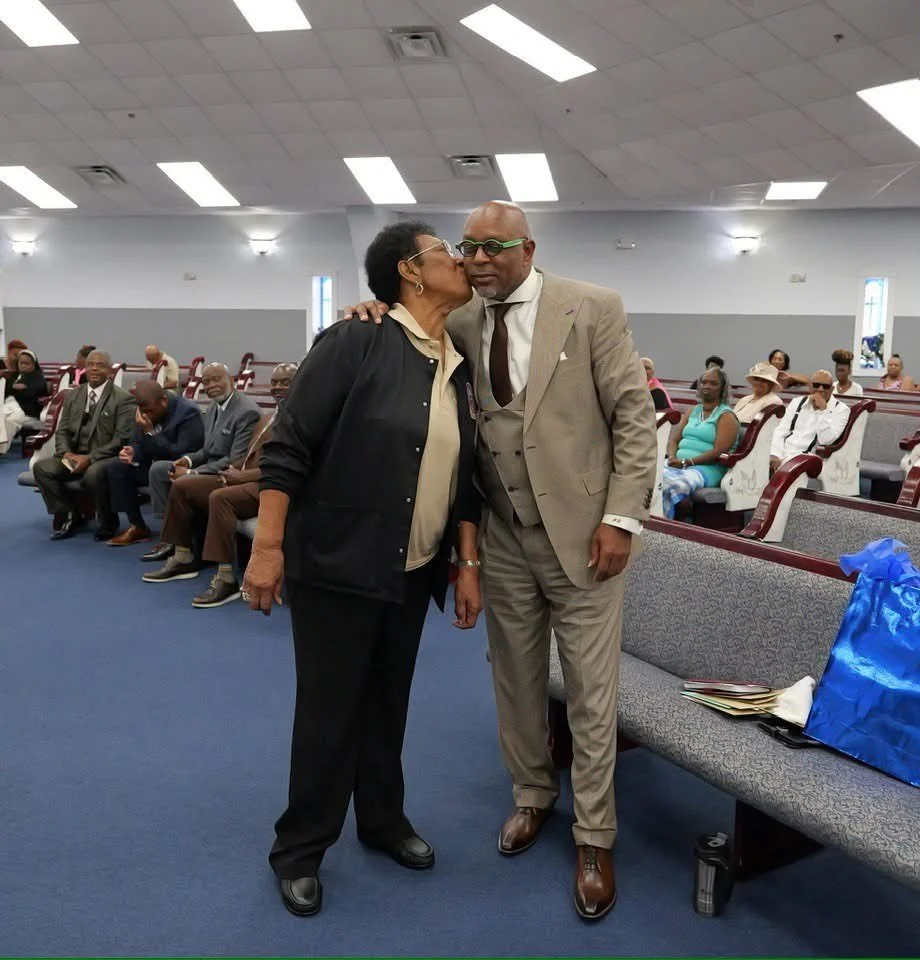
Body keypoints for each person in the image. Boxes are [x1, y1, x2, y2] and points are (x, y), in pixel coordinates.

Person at [338, 201, 659, 921]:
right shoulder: (459, 319)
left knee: (591, 692)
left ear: (528, 249)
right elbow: (410, 334)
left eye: (493, 247)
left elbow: (634, 422)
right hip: (504, 535)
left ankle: (595, 837)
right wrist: (373, 309)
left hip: (586, 537)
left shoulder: (592, 307)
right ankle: (533, 794)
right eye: (467, 247)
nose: (477, 260)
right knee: (515, 679)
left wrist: (620, 519)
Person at [242, 222, 483, 918]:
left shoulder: (454, 361)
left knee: (387, 703)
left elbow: (465, 478)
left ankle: (382, 821)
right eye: (446, 252)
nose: (460, 260)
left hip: (412, 568)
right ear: (410, 270)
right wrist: (267, 548)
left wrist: (465, 562)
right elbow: (288, 446)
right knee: (329, 713)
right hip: (339, 561)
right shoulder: (356, 339)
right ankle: (300, 848)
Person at [142, 363, 298, 608]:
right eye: (275, 382)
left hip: (273, 486)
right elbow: (229, 455)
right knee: (182, 486)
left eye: (286, 382)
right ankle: (183, 557)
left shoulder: (297, 420)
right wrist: (192, 463)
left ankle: (226, 578)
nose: (278, 387)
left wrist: (239, 476)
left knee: (220, 497)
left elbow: (284, 467)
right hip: (247, 477)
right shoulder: (269, 417)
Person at [140, 363, 260, 562]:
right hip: (210, 467)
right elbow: (206, 450)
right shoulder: (213, 407)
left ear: (231, 381)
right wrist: (187, 460)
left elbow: (236, 460)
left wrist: (191, 473)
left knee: (182, 482)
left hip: (228, 474)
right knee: (160, 469)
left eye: (216, 379)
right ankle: (169, 537)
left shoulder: (246, 412)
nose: (211, 385)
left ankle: (183, 551)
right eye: (206, 381)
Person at [31, 350, 136, 540]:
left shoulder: (123, 398)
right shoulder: (74, 395)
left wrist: (89, 458)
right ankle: (69, 514)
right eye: (90, 364)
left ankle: (108, 521)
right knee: (42, 468)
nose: (94, 368)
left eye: (100, 365)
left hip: (104, 457)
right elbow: (62, 430)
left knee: (93, 474)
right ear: (84, 368)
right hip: (74, 455)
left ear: (109, 371)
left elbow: (121, 439)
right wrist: (66, 453)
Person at [97, 380, 204, 544]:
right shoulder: (144, 410)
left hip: (176, 469)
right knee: (116, 467)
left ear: (164, 401)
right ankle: (137, 526)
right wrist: (133, 452)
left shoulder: (188, 413)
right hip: (151, 465)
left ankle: (172, 535)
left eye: (151, 411)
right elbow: (138, 442)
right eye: (143, 411)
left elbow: (182, 453)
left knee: (157, 468)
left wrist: (151, 433)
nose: (147, 415)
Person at [662, 368, 739, 518]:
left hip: (707, 469)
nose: (707, 386)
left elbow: (718, 452)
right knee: (648, 477)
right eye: (704, 382)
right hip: (679, 464)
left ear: (722, 389)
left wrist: (687, 462)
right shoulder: (693, 411)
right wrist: (671, 457)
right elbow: (674, 440)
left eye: (713, 383)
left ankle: (666, 524)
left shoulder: (726, 416)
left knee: (670, 486)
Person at [770, 370, 851, 472]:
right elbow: (781, 431)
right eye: (816, 385)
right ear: (810, 387)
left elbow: (826, 440)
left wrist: (823, 411)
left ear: (832, 389)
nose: (820, 389)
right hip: (783, 453)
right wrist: (775, 454)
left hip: (807, 459)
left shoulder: (841, 409)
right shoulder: (797, 402)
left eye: (825, 386)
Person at [1, 349, 49, 453]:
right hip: (11, 408)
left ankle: (1, 450)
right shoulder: (14, 376)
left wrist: (17, 389)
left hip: (28, 412)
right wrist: (14, 388)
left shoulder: (38, 378)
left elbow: (32, 392)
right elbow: (6, 390)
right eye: (21, 363)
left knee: (10, 420)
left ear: (33, 365)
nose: (23, 366)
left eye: (26, 363)